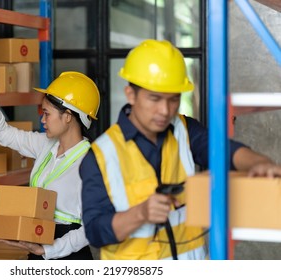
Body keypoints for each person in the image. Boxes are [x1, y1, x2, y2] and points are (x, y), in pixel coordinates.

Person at [79, 39, 281, 260]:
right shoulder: (100, 155)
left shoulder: (184, 130)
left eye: (174, 99)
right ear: (131, 94)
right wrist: (141, 213)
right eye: (155, 99)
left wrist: (260, 163)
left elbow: (224, 151)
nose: (165, 110)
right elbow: (96, 232)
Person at [0, 71, 100, 260]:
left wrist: (48, 250)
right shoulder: (45, 145)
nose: (42, 120)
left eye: (46, 114)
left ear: (68, 116)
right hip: (37, 243)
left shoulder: (92, 163)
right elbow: (3, 134)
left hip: (69, 255)